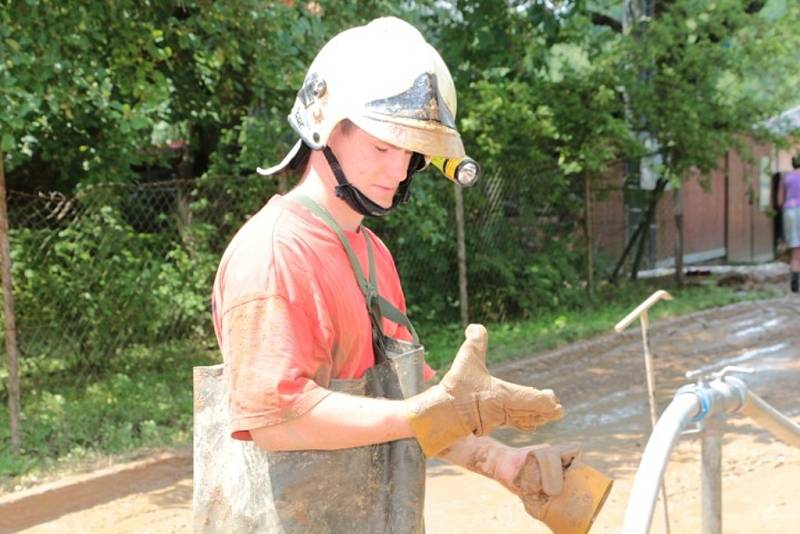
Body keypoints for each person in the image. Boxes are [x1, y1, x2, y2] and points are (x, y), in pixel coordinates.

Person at [205, 17, 609, 533]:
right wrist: (431, 411)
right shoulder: (276, 253)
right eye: (381, 147)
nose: (398, 171)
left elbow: (409, 406)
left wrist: (502, 462)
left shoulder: (372, 254)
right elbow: (277, 420)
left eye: (411, 152)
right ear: (325, 128)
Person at [778, 154, 800, 293]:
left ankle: (795, 285)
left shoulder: (785, 177)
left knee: (795, 250)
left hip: (790, 211)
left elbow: (780, 202)